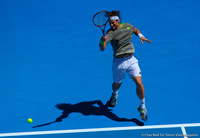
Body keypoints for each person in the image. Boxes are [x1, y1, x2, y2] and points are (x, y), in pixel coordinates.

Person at [99, 10, 151, 121]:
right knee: (116, 85)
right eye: (110, 23)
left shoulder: (127, 26)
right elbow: (102, 49)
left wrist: (141, 36)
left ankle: (142, 107)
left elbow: (135, 30)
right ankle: (114, 94)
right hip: (118, 63)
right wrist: (102, 41)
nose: (111, 25)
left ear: (118, 20)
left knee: (139, 83)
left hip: (131, 59)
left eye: (113, 23)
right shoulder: (109, 34)